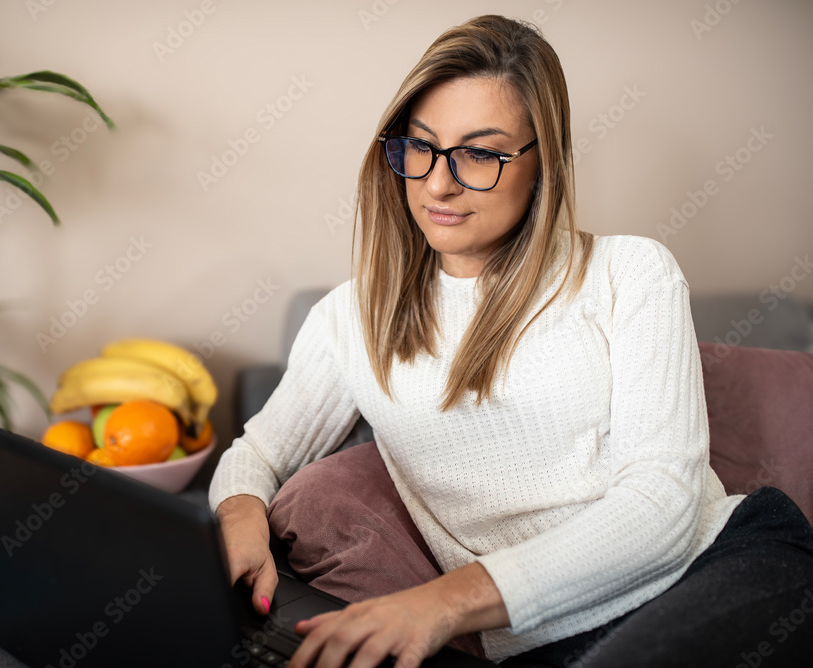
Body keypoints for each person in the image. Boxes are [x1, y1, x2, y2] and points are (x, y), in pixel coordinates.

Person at [208, 15, 813, 668]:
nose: (437, 183)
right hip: (534, 635)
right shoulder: (350, 317)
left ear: (542, 162)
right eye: (421, 146)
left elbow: (662, 505)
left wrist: (441, 603)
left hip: (713, 567)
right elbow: (260, 450)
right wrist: (240, 519)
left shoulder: (632, 272)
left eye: (480, 153)